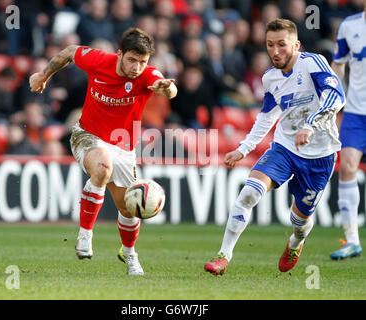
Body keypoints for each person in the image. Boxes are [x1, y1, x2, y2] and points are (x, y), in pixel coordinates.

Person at [29, 27, 177, 275]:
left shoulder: (148, 75)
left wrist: (165, 88)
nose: (136, 67)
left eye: (142, 62)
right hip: (87, 135)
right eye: (131, 60)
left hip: (124, 147)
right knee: (102, 166)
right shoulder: (99, 60)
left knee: (129, 208)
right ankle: (85, 235)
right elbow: (69, 52)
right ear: (119, 54)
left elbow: (169, 89)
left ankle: (129, 254)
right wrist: (44, 75)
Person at [204, 18, 345, 275]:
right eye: (270, 45)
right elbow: (267, 116)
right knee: (249, 193)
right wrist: (244, 148)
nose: (275, 51)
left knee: (300, 221)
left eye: (282, 44)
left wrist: (310, 126)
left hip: (320, 155)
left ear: (296, 44)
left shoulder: (312, 63)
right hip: (284, 147)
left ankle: (296, 242)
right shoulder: (270, 78)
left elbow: (336, 95)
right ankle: (223, 256)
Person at [329, 3, 366, 260]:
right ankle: (352, 240)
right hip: (355, 112)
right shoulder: (349, 25)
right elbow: (339, 65)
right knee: (347, 167)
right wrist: (330, 93)